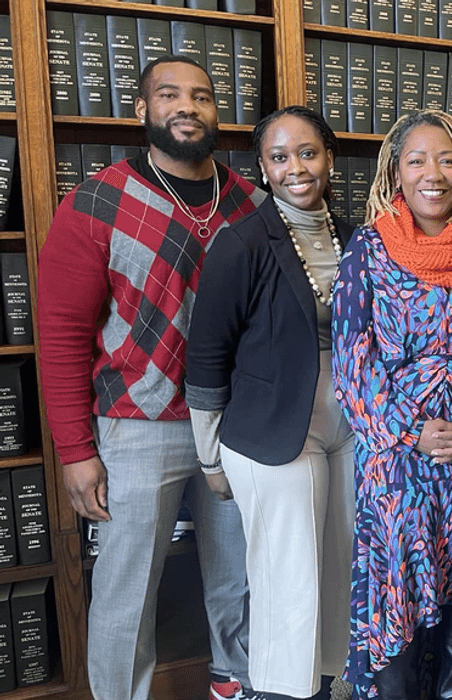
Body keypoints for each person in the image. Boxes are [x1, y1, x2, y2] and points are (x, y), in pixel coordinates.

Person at [35, 55, 263, 700]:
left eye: (202, 96)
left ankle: (237, 685)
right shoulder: (96, 201)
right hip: (136, 426)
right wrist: (76, 451)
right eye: (169, 94)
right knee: (125, 589)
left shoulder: (252, 203)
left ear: (217, 112)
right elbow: (61, 335)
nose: (187, 106)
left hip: (235, 425)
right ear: (142, 109)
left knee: (243, 576)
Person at [332, 110, 452, 700]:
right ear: (397, 172)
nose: (433, 174)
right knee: (400, 592)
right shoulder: (368, 248)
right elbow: (352, 359)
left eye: (446, 160)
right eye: (417, 160)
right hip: (396, 461)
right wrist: (409, 430)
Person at [185, 105, 353, 700]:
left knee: (342, 570)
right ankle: (282, 693)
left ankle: (324, 687)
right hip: (272, 429)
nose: (295, 168)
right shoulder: (241, 242)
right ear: (262, 167)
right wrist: (209, 458)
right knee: (290, 582)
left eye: (307, 153)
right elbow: (206, 355)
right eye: (279, 157)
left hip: (351, 426)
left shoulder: (358, 237)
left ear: (329, 157)